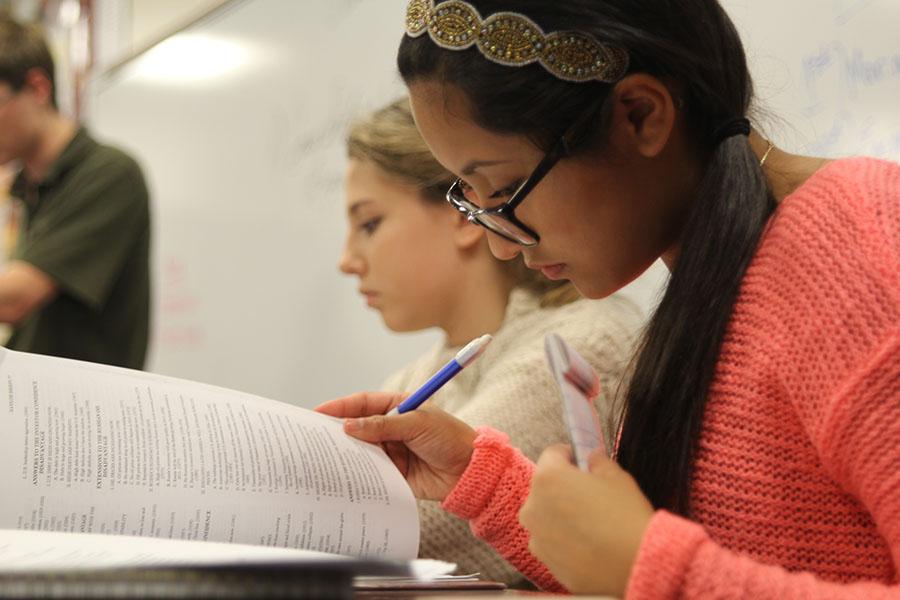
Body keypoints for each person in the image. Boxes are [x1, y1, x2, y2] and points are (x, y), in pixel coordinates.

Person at [318, 0, 900, 597]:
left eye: (509, 188)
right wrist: (480, 479)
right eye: (475, 200)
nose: (499, 247)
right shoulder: (714, 283)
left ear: (641, 116)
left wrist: (653, 568)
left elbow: (649, 572)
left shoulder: (858, 249)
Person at [339, 97, 643, 586]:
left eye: (369, 224)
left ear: (463, 214)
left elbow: (413, 532)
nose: (347, 260)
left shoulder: (575, 345)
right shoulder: (418, 375)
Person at [0, 15, 150, 368]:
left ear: (37, 88)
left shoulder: (110, 175)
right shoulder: (28, 188)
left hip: (89, 416)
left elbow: (15, 299)